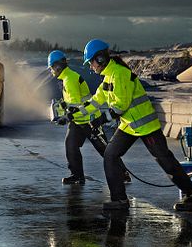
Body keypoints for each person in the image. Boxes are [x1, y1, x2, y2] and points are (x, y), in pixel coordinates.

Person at [81, 39, 192, 212]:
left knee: (166, 161)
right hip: (129, 126)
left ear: (100, 59)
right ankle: (119, 201)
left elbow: (120, 106)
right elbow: (95, 100)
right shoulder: (109, 76)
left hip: (146, 127)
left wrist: (100, 119)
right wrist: (75, 113)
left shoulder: (119, 73)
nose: (91, 66)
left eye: (91, 62)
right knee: (110, 155)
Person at [48, 50, 131, 185]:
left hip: (90, 120)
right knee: (71, 146)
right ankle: (77, 176)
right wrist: (63, 106)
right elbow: (72, 103)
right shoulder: (66, 77)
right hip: (78, 120)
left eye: (51, 67)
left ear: (57, 66)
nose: (51, 71)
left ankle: (123, 174)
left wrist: (66, 117)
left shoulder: (70, 79)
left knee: (104, 149)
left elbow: (76, 105)